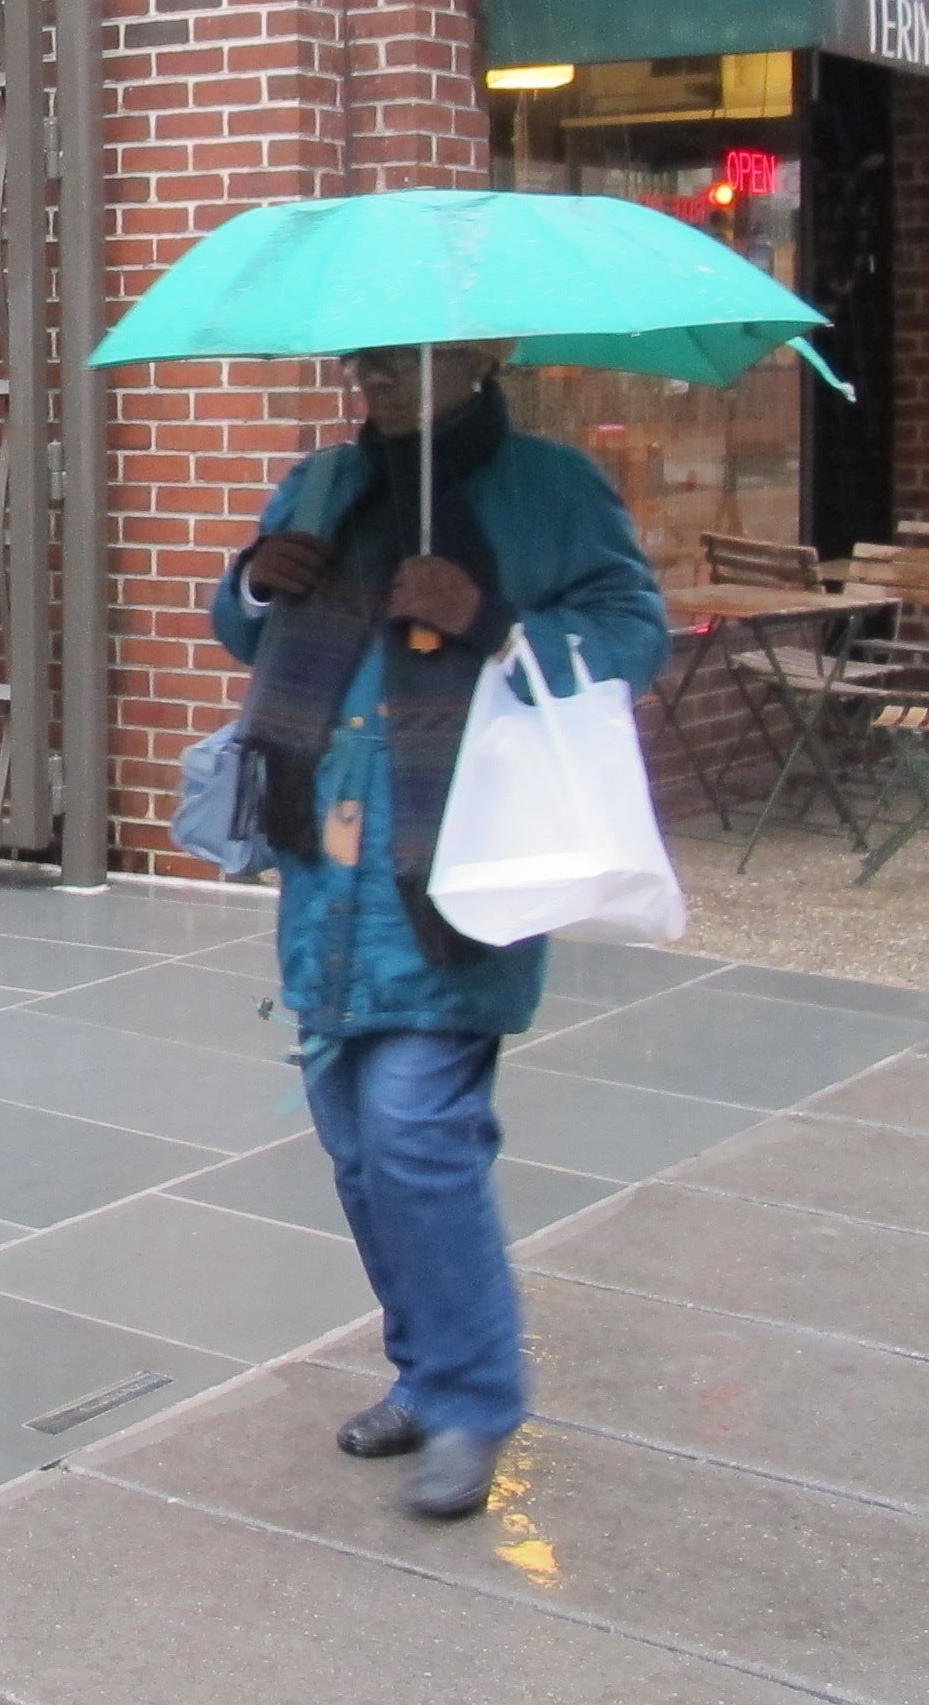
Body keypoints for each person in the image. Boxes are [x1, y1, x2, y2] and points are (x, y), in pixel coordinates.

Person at [209, 342, 665, 1520]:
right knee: (359, 1139)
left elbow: (634, 634)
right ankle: (427, 1366)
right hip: (326, 870)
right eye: (367, 352)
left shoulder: (551, 485)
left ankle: (474, 1394)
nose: (379, 370)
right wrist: (260, 579)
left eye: (411, 353)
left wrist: (492, 620)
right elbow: (243, 629)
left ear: (482, 356)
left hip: (461, 857)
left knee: (418, 1130)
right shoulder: (323, 482)